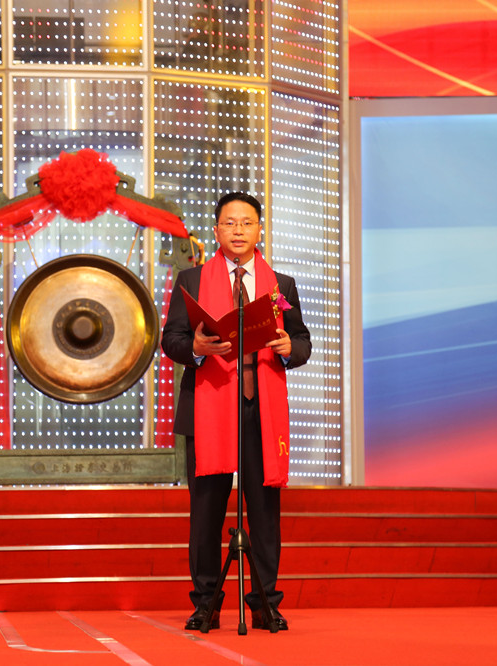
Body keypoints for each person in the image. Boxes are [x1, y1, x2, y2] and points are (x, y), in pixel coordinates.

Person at [161, 192, 312, 631]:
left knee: (264, 511)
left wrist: (289, 348)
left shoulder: (280, 284)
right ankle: (205, 603)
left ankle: (265, 604)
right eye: (230, 223)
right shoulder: (191, 280)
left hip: (259, 406)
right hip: (208, 404)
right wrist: (195, 347)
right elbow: (171, 339)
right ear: (216, 231)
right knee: (206, 511)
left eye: (247, 222)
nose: (239, 230)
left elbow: (302, 341)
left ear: (259, 229)